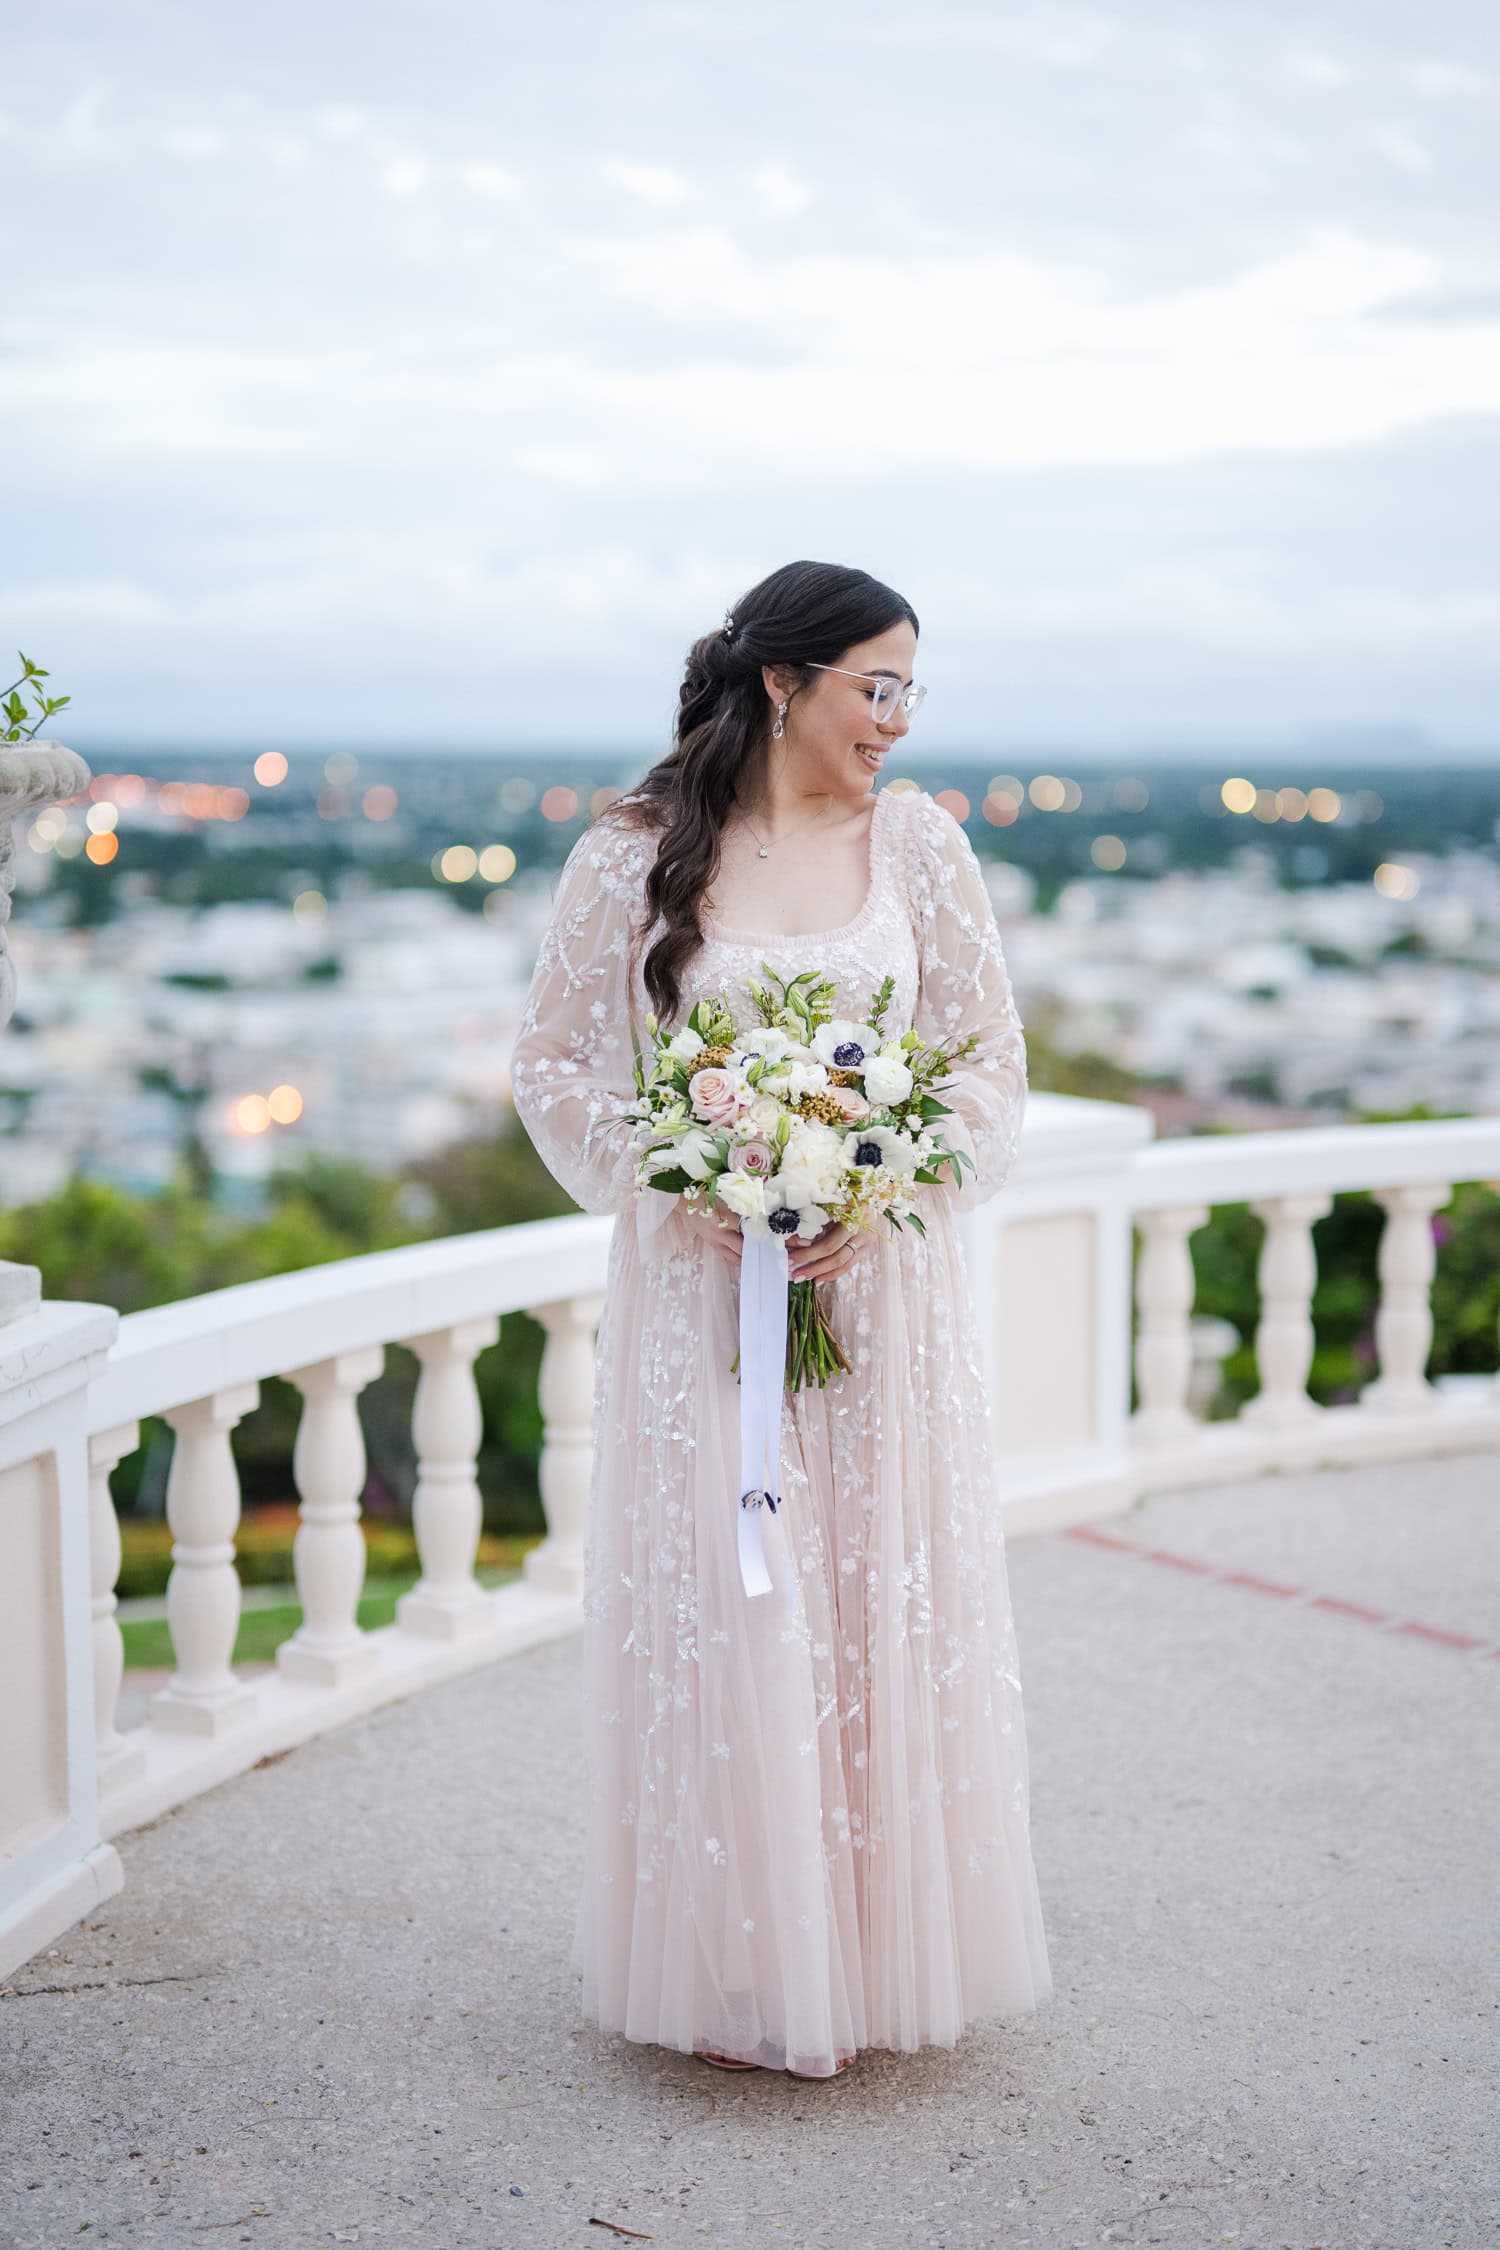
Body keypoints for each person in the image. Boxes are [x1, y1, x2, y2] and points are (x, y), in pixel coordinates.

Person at [509, 559, 1052, 2080]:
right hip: (700, 1304)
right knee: (731, 1610)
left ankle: (874, 1956)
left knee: (880, 1598)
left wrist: (883, 1180)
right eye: (874, 685)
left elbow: (988, 1056)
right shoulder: (629, 856)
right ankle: (741, 1957)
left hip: (882, 1300)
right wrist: (687, 1175)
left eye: (907, 690)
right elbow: (553, 1065)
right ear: (781, 683)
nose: (894, 718)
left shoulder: (924, 846)